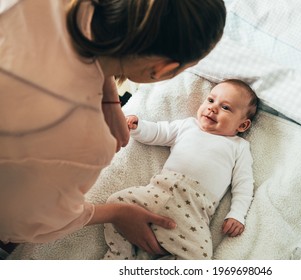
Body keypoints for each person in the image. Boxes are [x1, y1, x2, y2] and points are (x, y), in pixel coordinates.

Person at [0, 0, 226, 256]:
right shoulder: (87, 144)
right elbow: (24, 224)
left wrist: (109, 97)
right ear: (164, 69)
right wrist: (116, 212)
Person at [103, 79, 260, 260]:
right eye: (210, 100)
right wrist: (138, 126)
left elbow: (244, 184)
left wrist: (237, 214)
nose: (213, 108)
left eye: (225, 108)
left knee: (199, 258)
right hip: (156, 193)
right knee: (115, 204)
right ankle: (119, 255)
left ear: (242, 125)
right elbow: (158, 132)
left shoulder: (239, 147)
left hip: (192, 212)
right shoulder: (187, 126)